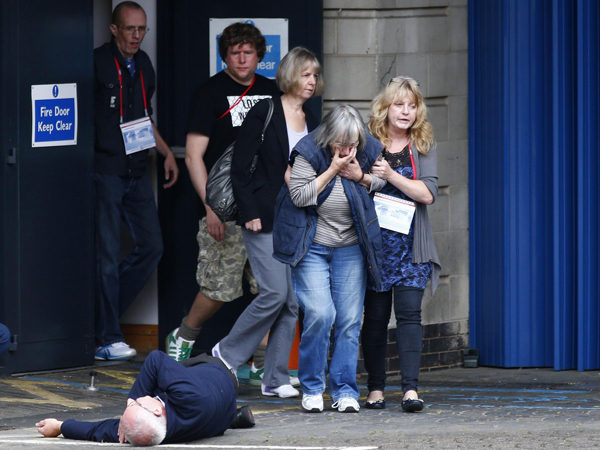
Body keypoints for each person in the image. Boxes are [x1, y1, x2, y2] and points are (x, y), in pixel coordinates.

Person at [210, 48, 323, 399]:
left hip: (293, 218)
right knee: (274, 293)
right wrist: (249, 212)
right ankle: (226, 353)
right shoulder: (265, 109)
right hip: (260, 216)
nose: (312, 82)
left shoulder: (311, 116)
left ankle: (275, 379)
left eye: (315, 76)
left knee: (289, 303)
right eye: (306, 75)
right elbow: (240, 167)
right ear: (290, 75)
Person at [165, 22, 280, 361]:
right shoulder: (210, 92)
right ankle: (185, 336)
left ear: (259, 54)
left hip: (266, 204)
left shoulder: (273, 90)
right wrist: (210, 206)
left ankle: (260, 360)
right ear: (225, 56)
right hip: (226, 206)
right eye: (235, 53)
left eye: (248, 52)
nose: (242, 59)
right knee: (219, 285)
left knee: (270, 289)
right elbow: (194, 156)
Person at [272, 105, 384, 413]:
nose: (347, 149)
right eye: (340, 144)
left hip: (350, 246)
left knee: (349, 320)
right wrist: (334, 169)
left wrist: (361, 176)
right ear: (328, 138)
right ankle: (312, 386)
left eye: (353, 144)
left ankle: (345, 389)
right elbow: (300, 195)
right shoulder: (308, 151)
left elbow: (382, 182)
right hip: (313, 245)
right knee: (320, 314)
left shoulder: (367, 148)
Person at [94, 1, 179, 361]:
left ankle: (98, 318)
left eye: (141, 29)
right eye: (129, 29)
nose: (136, 36)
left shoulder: (144, 64)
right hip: (105, 171)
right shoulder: (96, 62)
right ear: (114, 29)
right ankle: (105, 335)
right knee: (107, 257)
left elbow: (142, 117)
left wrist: (167, 152)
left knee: (152, 247)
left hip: (136, 168)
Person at [361, 76, 441, 413]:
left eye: (411, 105)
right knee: (376, 320)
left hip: (411, 247)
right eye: (399, 104)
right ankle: (376, 388)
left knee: (410, 317)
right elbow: (356, 183)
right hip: (377, 247)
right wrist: (367, 177)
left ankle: (410, 390)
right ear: (386, 107)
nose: (405, 111)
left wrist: (391, 176)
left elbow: (427, 193)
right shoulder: (367, 142)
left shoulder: (423, 144)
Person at [36, 350, 254, 445]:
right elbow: (156, 359)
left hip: (214, 407)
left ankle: (230, 418)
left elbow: (97, 431)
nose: (138, 399)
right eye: (140, 402)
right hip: (222, 376)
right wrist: (135, 399)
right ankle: (230, 417)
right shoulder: (188, 395)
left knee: (158, 385)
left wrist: (60, 426)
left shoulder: (151, 434)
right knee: (161, 379)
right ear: (157, 410)